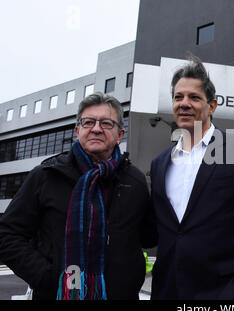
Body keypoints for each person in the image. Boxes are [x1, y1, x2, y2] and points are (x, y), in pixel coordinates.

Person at [0, 92, 157, 300]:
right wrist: (45, 276)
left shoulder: (135, 181)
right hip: (56, 295)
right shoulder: (46, 176)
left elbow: (148, 237)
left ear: (120, 134)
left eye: (106, 123)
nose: (96, 128)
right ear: (77, 130)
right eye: (88, 122)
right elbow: (7, 234)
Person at [150, 56, 234, 300]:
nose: (184, 104)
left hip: (226, 293)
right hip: (168, 290)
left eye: (194, 97)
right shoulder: (159, 164)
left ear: (212, 106)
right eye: (178, 97)